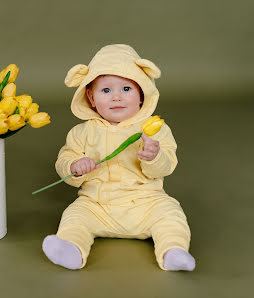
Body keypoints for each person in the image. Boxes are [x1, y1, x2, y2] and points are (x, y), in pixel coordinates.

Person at [42, 44, 195, 271]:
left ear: (142, 95)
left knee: (171, 213)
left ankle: (173, 251)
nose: (116, 97)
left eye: (126, 89)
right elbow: (64, 162)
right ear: (91, 98)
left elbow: (166, 166)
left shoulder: (154, 130)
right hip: (97, 205)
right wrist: (74, 166)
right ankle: (71, 249)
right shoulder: (82, 132)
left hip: (146, 203)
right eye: (106, 91)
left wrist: (154, 156)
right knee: (75, 215)